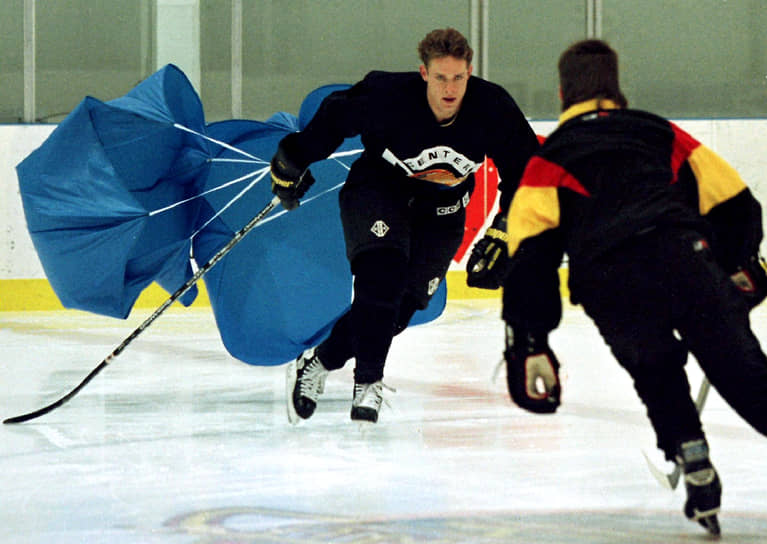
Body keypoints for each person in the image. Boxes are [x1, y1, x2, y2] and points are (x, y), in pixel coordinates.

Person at [499, 38, 767, 535]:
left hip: (609, 279)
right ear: (618, 89)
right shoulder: (659, 133)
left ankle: (691, 453)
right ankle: (694, 447)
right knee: (746, 375)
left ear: (562, 93)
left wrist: (530, 343)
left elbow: (530, 258)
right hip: (683, 260)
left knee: (656, 370)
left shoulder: (549, 158)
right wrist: (734, 266)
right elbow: (735, 205)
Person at [269, 27, 539, 425]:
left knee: (401, 306)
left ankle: (320, 362)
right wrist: (293, 159)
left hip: (444, 209)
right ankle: (368, 384)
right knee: (382, 277)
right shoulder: (389, 95)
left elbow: (529, 172)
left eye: (459, 78)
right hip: (379, 190)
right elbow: (335, 115)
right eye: (441, 77)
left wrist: (504, 228)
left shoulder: (492, 107)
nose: (450, 89)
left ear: (470, 73)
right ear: (424, 73)